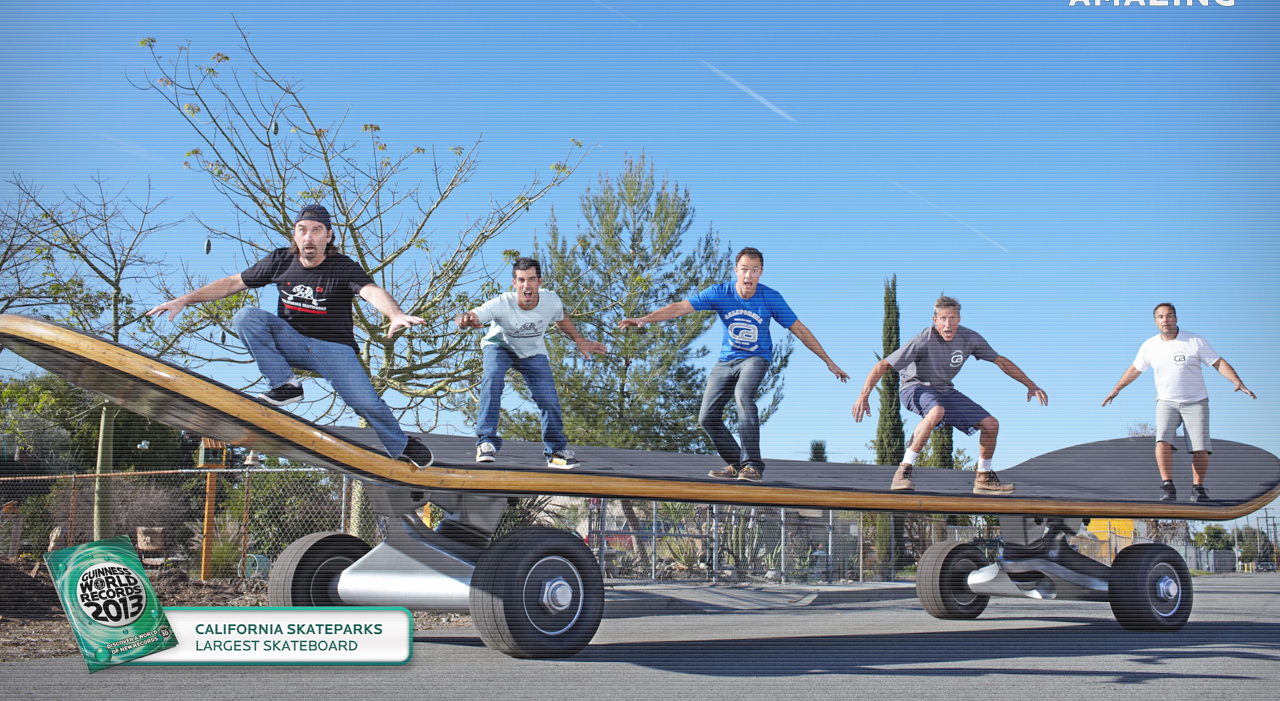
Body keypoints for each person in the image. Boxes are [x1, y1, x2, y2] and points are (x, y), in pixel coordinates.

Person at [148, 204, 433, 468]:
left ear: (329, 236)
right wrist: (185, 299)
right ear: (295, 235)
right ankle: (286, 384)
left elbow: (371, 291)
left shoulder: (343, 266)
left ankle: (401, 444)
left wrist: (394, 313)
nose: (309, 238)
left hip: (334, 349)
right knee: (247, 316)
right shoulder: (280, 260)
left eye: (317, 231)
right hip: (293, 342)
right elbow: (233, 283)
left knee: (367, 403)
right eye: (302, 230)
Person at [618, 247, 848, 482]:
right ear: (736, 270)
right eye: (745, 270)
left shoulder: (771, 298)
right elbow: (681, 307)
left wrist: (828, 361)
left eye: (755, 271)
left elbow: (799, 329)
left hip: (756, 358)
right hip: (726, 360)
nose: (749, 276)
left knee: (743, 396)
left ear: (761, 273)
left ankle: (753, 465)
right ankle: (737, 463)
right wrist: (644, 319)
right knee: (707, 418)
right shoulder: (720, 293)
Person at [852, 295, 1047, 495]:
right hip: (914, 388)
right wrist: (863, 396)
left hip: (944, 390)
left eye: (953, 318)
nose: (948, 325)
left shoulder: (970, 338)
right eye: (943, 319)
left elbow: (1001, 361)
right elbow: (883, 364)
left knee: (991, 424)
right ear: (935, 320)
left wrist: (1030, 385)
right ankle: (903, 470)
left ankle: (983, 478)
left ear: (959, 319)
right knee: (936, 411)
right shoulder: (923, 339)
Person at [455, 256, 606, 469]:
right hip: (500, 347)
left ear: (540, 282)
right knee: (492, 380)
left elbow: (560, 317)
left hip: (532, 353)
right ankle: (486, 442)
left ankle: (555, 452)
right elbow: (472, 314)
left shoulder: (551, 300)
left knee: (549, 399)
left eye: (532, 280)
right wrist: (463, 319)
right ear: (514, 283)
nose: (527, 285)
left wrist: (579, 339)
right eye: (522, 280)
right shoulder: (501, 303)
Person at [1102, 302, 1255, 502]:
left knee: (1200, 447)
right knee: (1162, 440)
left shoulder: (1194, 340)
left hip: (1196, 401)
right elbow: (1135, 369)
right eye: (1160, 317)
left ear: (1176, 318)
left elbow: (1218, 362)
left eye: (1169, 316)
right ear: (1156, 321)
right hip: (1166, 401)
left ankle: (1198, 488)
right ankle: (1168, 485)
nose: (1165, 320)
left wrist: (1237, 381)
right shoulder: (1150, 345)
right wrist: (1116, 389)